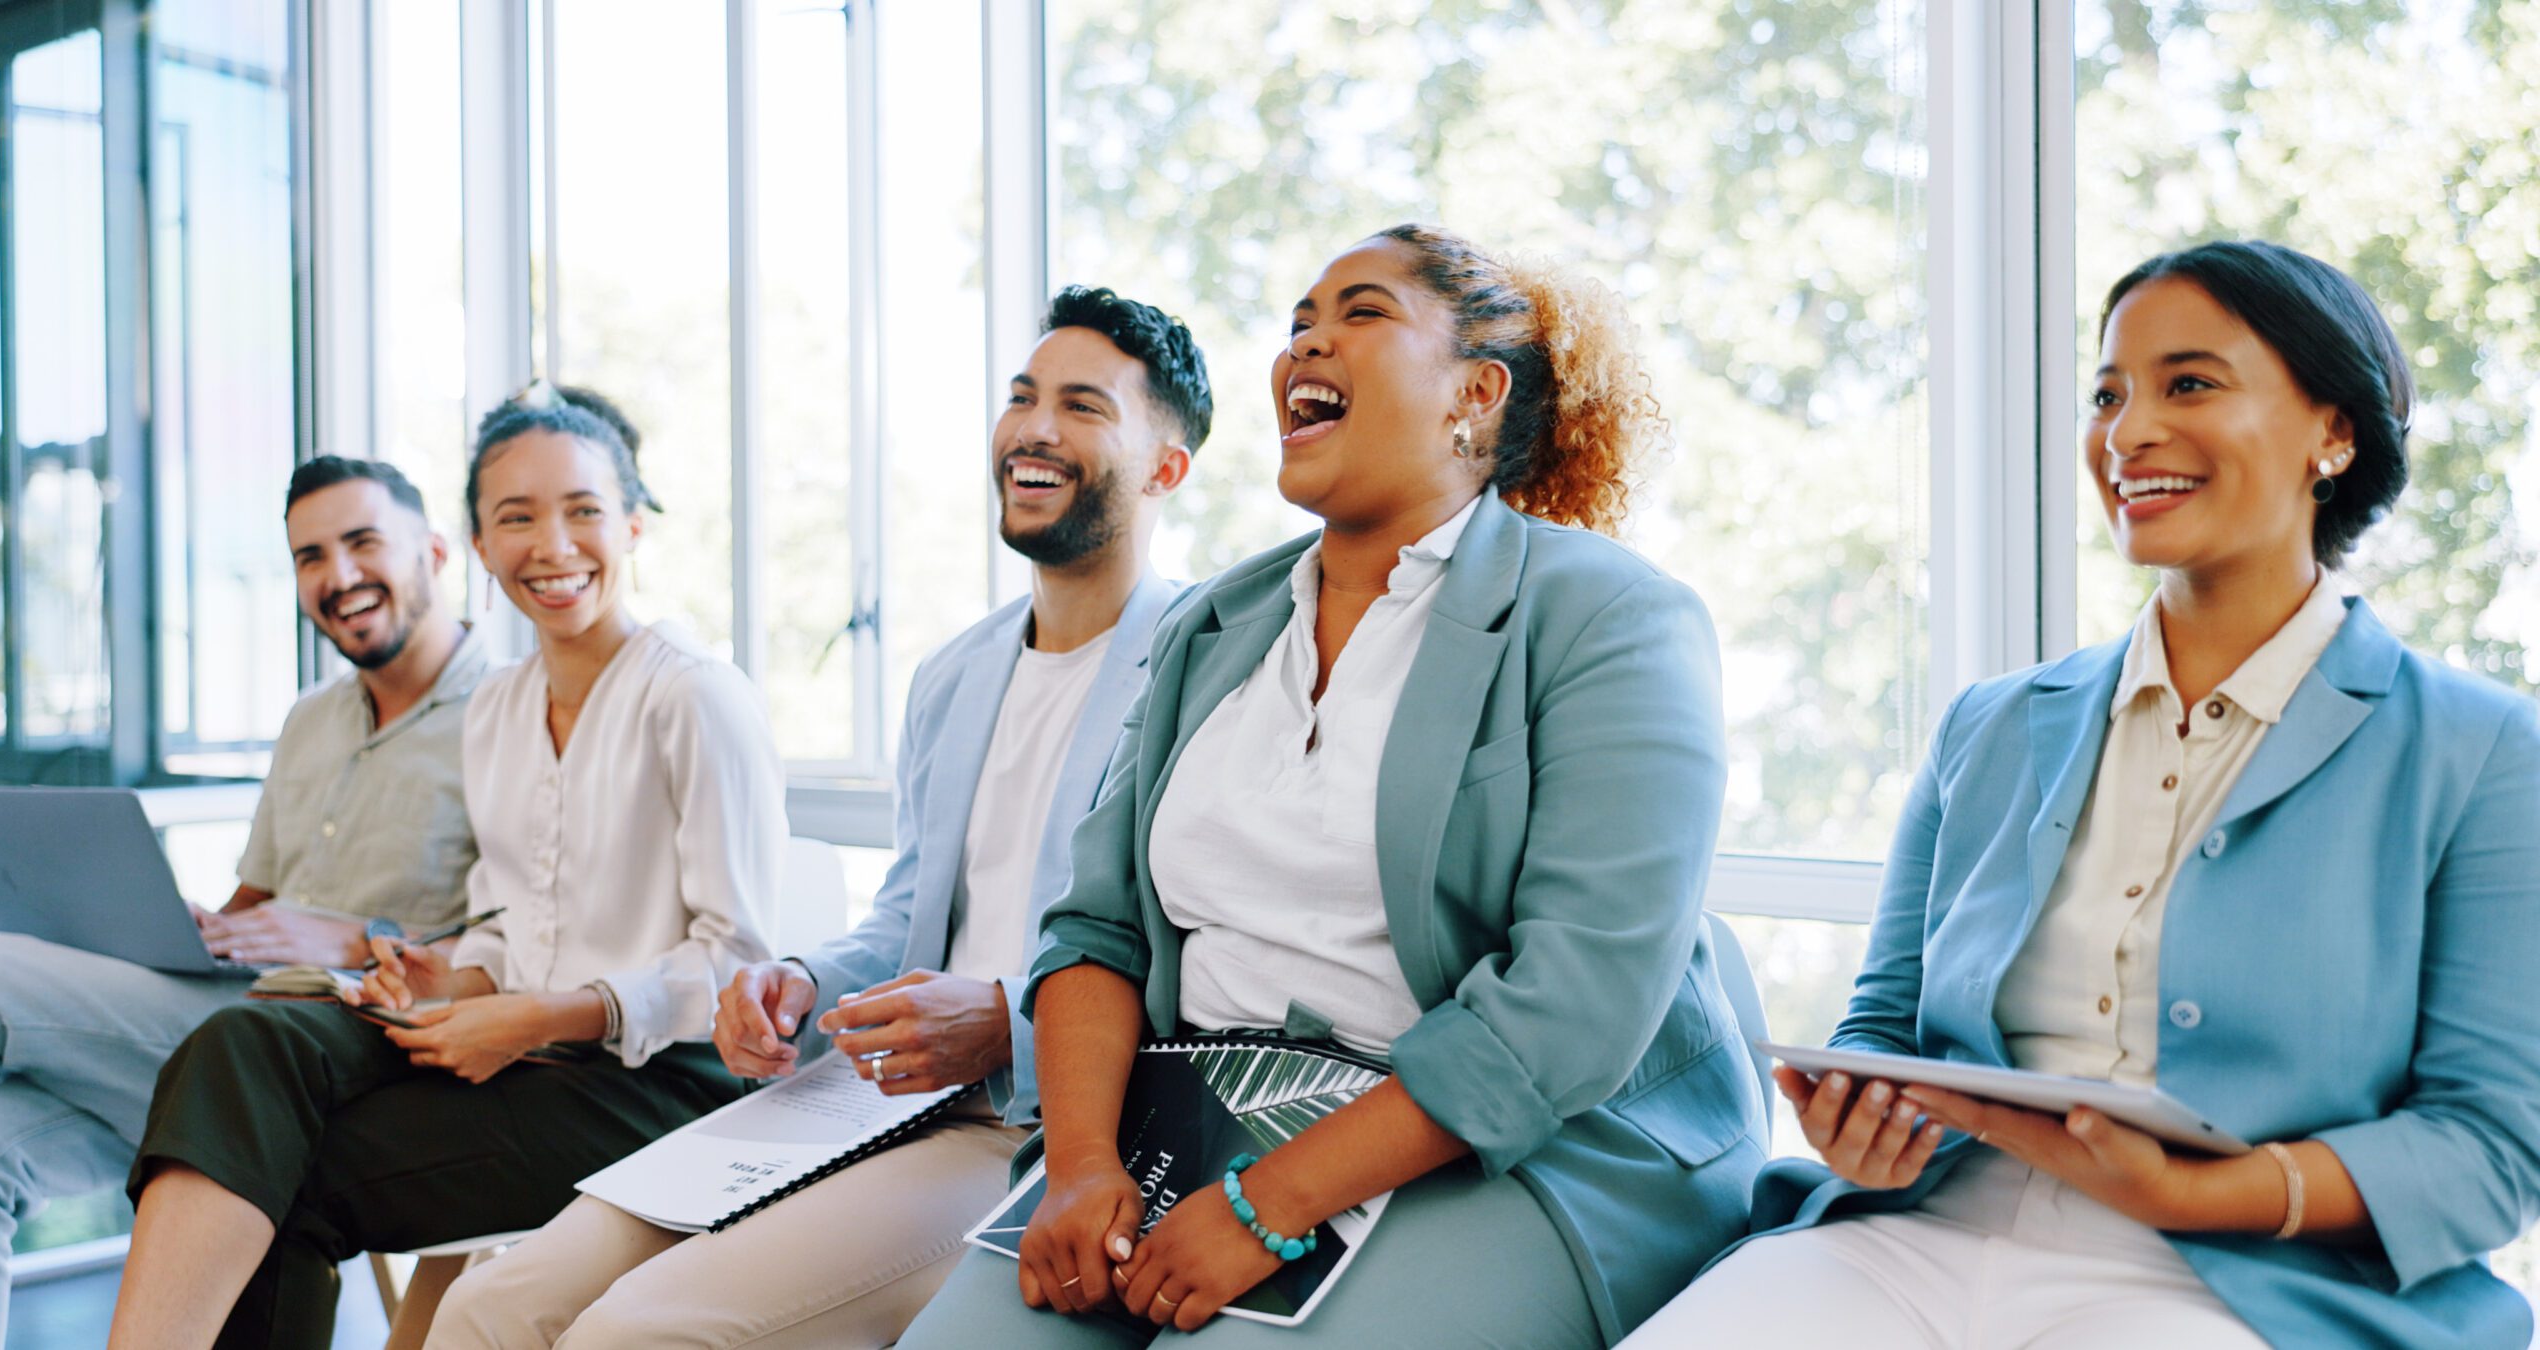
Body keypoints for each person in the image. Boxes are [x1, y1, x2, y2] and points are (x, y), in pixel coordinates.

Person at [1626, 241, 2540, 1349]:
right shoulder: (1993, 724)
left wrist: (2201, 1195)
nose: (2127, 431)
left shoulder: (2482, 749)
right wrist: (1869, 1131)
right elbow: (1886, 1023)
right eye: (2107, 393)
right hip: (1912, 1242)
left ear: (2333, 433)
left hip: (2231, 1284)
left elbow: (2489, 1148)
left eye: (2187, 384)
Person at [900, 223, 1764, 1350]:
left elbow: (1575, 999)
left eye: (1360, 314)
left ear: (1476, 393)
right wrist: (1077, 1170)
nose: (1305, 344)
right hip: (1198, 1113)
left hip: (1504, 1145)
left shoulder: (1609, 617)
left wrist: (1269, 1206)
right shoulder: (1213, 624)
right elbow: (1095, 928)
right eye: (1297, 322)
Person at [426, 286, 1210, 1349]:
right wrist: (801, 983)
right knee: (490, 1306)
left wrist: (1001, 1018)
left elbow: (1206, 964)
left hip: (1040, 1125)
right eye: (1023, 395)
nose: (1033, 425)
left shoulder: (1202, 672)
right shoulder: (955, 673)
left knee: (633, 1334)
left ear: (1168, 467)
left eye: (1083, 405)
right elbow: (903, 921)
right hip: (869, 1099)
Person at [106, 384, 786, 1350]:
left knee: (277, 1175)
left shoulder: (696, 697)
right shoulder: (501, 710)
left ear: (631, 525)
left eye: (583, 511)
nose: (551, 545)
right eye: (517, 518)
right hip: (522, 1049)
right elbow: (505, 921)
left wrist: (534, 1017)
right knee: (249, 1045)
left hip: (662, 1089)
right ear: (476, 545)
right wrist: (451, 978)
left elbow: (737, 964)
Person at [0, 457, 487, 1350]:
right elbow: (254, 901)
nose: (338, 576)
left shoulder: (510, 711)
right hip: (228, 1009)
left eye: (363, 542)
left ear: (436, 552)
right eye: (310, 556)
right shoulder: (312, 719)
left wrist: (357, 938)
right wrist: (169, 927)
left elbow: (532, 937)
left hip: (344, 1044)